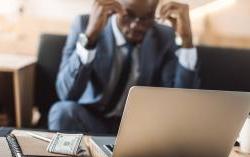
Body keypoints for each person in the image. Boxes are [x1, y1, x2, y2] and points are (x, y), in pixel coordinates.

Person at [48, 0, 198, 134]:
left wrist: (187, 42)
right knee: (62, 112)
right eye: (128, 15)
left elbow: (180, 103)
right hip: (91, 121)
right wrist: (90, 38)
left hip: (137, 130)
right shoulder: (85, 24)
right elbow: (66, 94)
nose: (136, 25)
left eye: (147, 18)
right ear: (113, 6)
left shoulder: (165, 37)